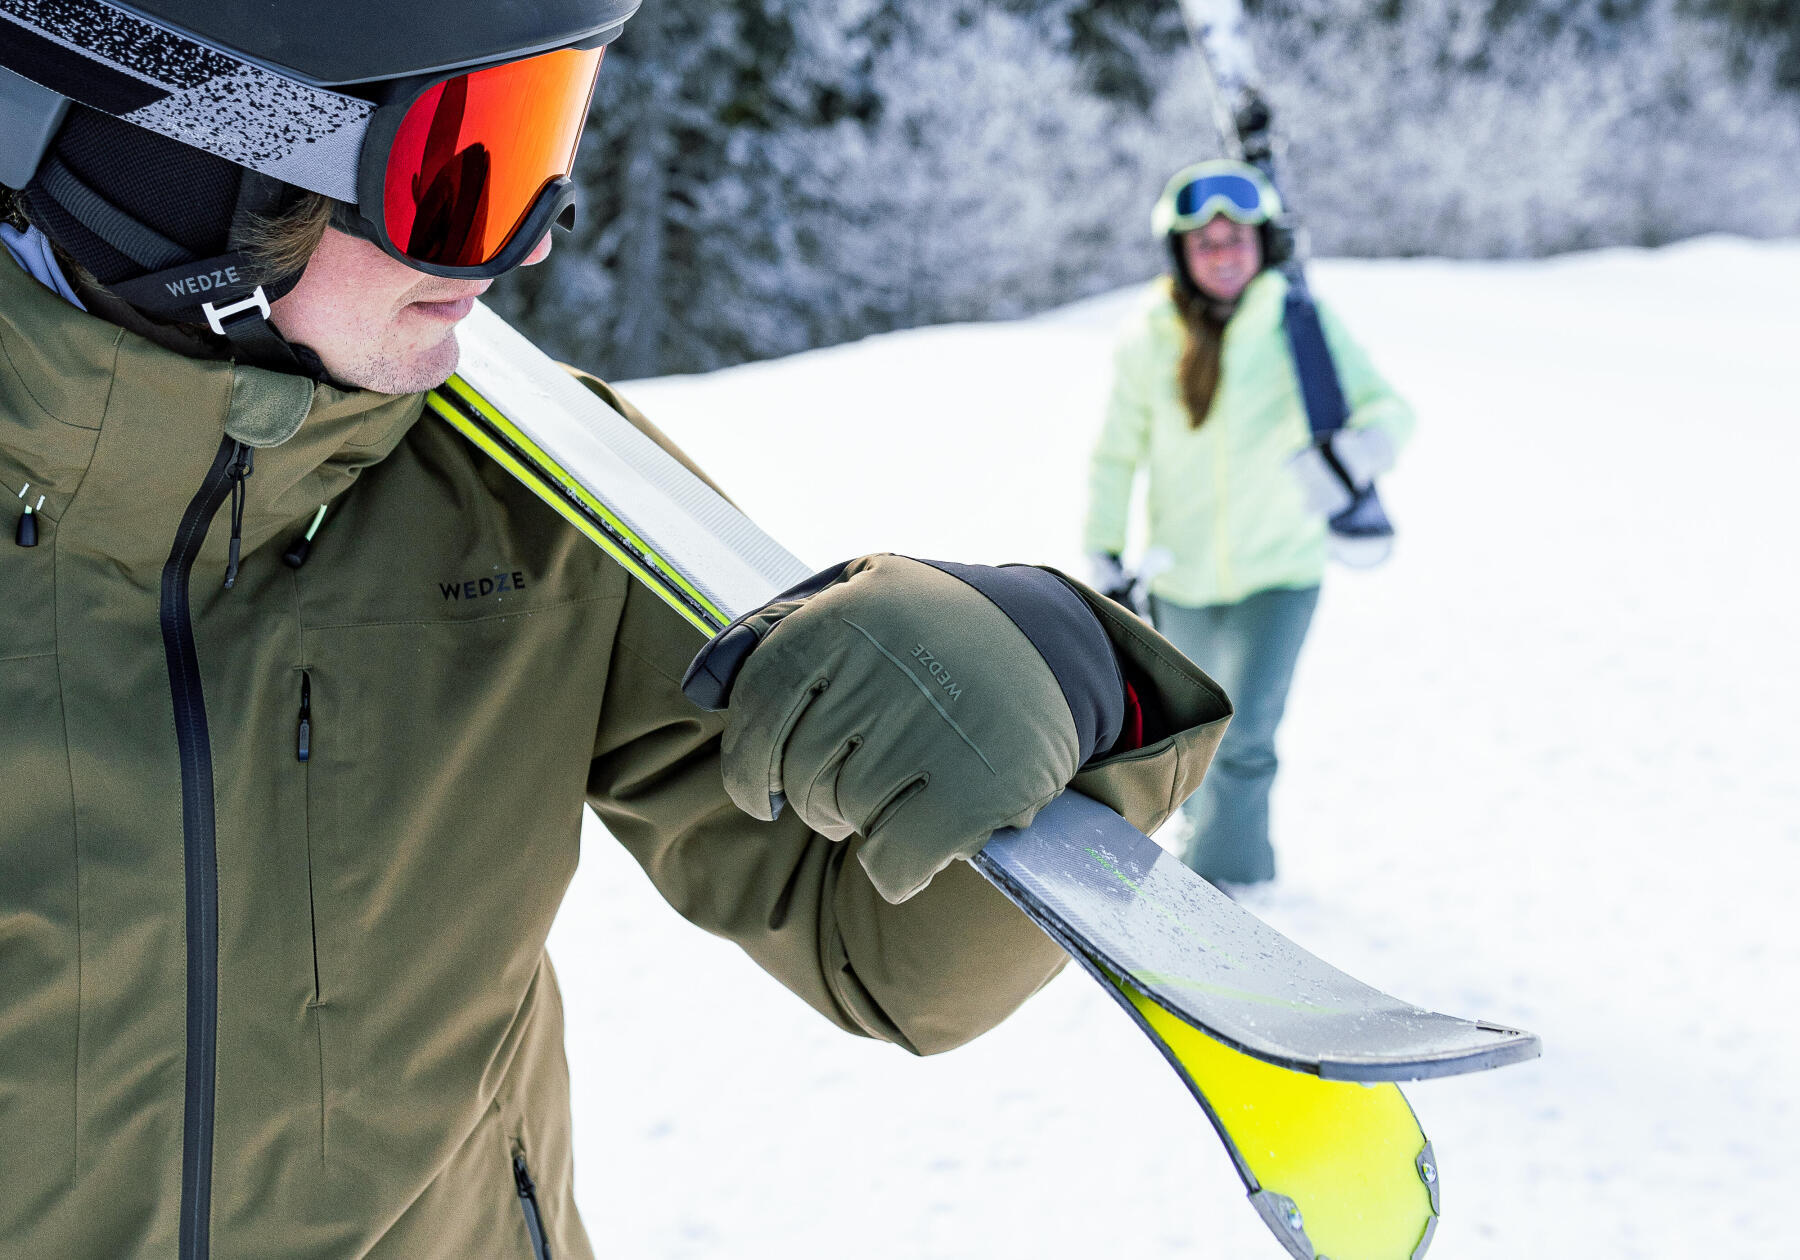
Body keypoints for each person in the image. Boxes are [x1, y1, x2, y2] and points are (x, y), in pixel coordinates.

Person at [0, 4, 1233, 1256]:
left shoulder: (528, 497)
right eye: (460, 170)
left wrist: (1066, 680)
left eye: (545, 152)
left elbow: (881, 948)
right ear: (172, 169)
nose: (521, 253)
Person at [1084, 159, 1414, 890]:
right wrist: (1103, 551)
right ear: (1181, 254)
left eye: (1236, 238)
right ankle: (1211, 863)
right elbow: (1115, 454)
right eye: (1205, 242)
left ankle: (1233, 889)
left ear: (1262, 243)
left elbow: (1391, 412)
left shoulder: (1300, 324)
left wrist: (1350, 458)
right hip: (1183, 578)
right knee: (1189, 747)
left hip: (1282, 572)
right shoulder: (1148, 336)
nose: (1224, 253)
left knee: (1248, 741)